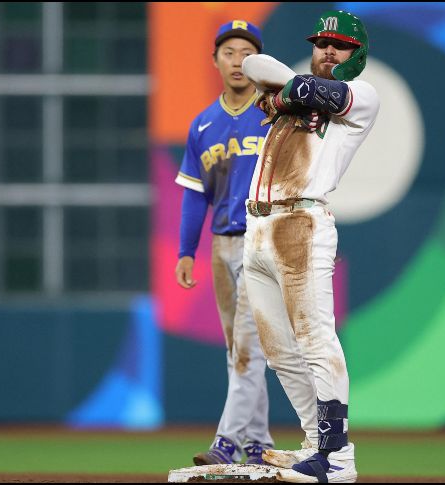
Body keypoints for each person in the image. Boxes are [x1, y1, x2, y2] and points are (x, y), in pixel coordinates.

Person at [240, 10, 379, 484]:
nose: (328, 51)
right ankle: (315, 443)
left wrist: (283, 96)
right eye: (321, 43)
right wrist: (285, 93)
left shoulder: (363, 95)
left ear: (357, 54)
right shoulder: (292, 91)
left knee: (315, 339)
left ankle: (338, 456)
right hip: (257, 227)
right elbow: (254, 65)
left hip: (302, 222)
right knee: (278, 350)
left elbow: (302, 90)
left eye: (339, 45)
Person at [174, 20, 274, 466]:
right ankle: (258, 442)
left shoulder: (273, 114)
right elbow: (195, 194)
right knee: (238, 351)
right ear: (214, 60)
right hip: (221, 245)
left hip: (261, 241)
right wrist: (185, 251)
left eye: (246, 53)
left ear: (258, 62)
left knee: (248, 347)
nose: (237, 61)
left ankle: (228, 443)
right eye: (229, 52)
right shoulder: (202, 124)